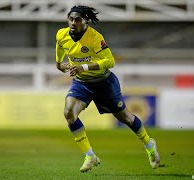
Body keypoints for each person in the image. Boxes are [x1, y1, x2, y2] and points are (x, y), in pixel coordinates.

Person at [55, 5, 161, 173]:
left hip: (104, 83)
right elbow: (60, 47)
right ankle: (90, 156)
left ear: (86, 21)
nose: (73, 22)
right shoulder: (62, 34)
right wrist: (59, 63)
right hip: (82, 83)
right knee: (69, 113)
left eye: (77, 19)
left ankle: (149, 144)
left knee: (125, 117)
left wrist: (84, 66)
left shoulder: (95, 38)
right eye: (70, 19)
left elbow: (110, 61)